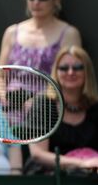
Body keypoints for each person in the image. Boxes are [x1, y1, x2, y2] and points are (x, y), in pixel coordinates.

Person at [0, 0, 81, 120]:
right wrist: (6, 98)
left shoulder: (69, 34)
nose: (36, 2)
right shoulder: (11, 32)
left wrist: (38, 102)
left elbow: (68, 79)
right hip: (7, 109)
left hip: (47, 110)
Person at [27, 46, 98, 174]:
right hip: (49, 174)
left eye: (77, 67)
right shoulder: (43, 104)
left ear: (87, 72)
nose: (70, 72)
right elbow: (38, 154)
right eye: (64, 68)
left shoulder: (95, 107)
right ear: (56, 72)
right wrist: (82, 163)